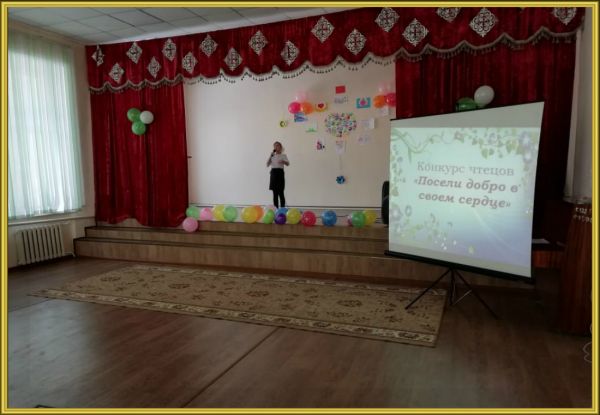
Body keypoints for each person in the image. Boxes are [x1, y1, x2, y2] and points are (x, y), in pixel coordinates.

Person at [266, 141, 289, 208]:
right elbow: (267, 164)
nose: (276, 147)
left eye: (277, 146)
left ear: (281, 147)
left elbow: (288, 164)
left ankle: (282, 208)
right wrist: (270, 156)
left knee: (281, 192)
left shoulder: (283, 155)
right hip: (273, 173)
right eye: (275, 146)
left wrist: (283, 161)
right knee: (275, 193)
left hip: (280, 173)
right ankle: (276, 209)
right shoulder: (272, 156)